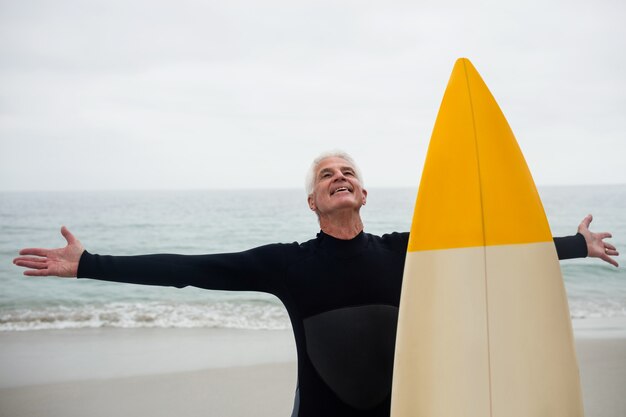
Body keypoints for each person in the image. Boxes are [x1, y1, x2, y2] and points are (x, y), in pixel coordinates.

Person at [13, 152, 619, 417]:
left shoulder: (406, 251)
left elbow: (487, 259)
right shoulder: (286, 262)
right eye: (327, 174)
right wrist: (89, 264)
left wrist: (574, 246)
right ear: (312, 201)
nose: (339, 177)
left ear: (362, 192)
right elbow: (190, 269)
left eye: (348, 171)